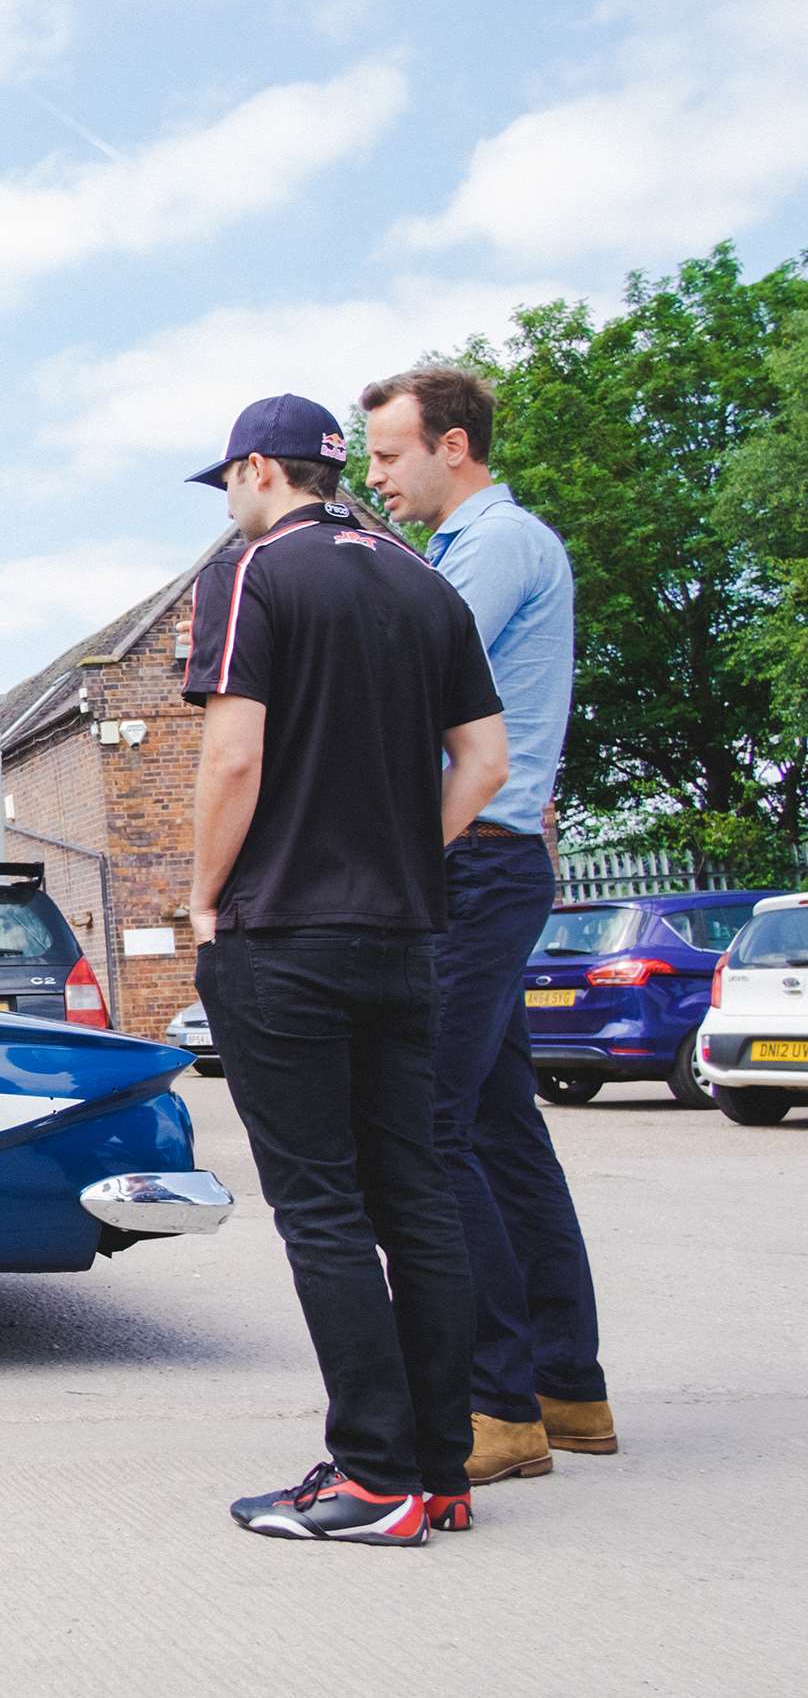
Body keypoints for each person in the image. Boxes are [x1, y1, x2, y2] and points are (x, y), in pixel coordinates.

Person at [182, 393, 510, 1546]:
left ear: (259, 471)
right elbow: (485, 756)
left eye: (226, 483)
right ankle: (438, 1471)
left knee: (319, 1207)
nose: (227, 505)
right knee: (413, 1197)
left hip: (285, 936)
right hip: (402, 935)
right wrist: (402, 855)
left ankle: (370, 1479)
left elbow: (231, 755)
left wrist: (202, 899)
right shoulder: (424, 584)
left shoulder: (252, 573)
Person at [362, 366, 611, 1487]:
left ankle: (496, 1402)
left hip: (474, 865)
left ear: (450, 445)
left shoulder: (495, 544)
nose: (374, 479)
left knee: (428, 1125)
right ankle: (567, 1386)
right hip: (493, 858)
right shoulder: (465, 551)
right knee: (503, 1130)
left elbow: (406, 675)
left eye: (386, 455)